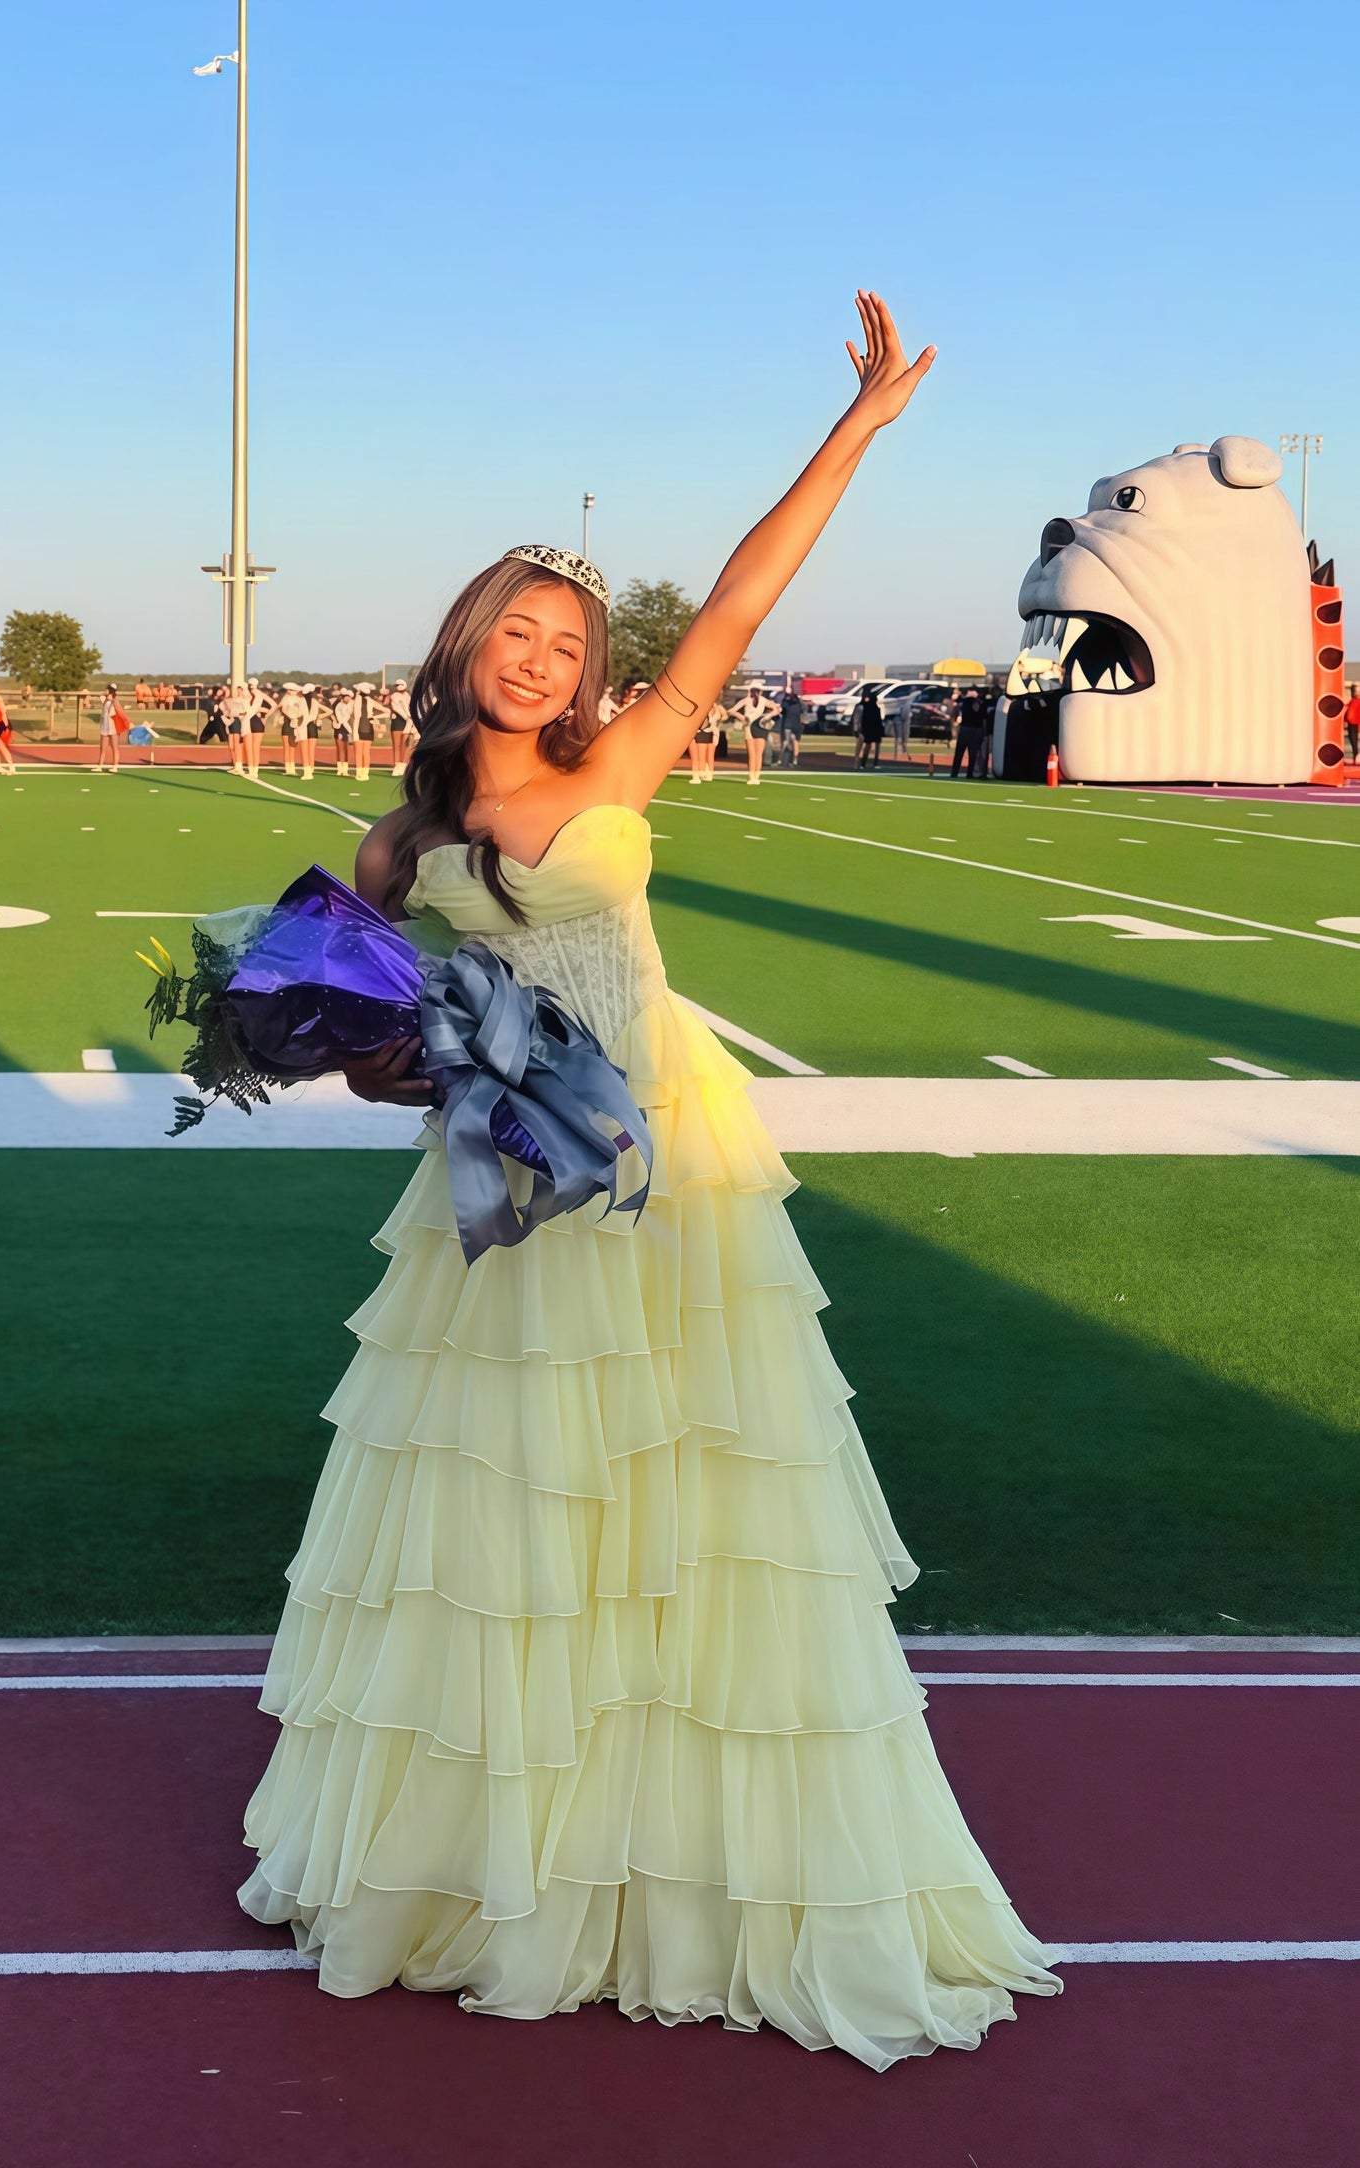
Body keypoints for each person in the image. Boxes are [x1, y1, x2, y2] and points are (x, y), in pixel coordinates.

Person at [234, 292, 1059, 2070]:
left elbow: (745, 602)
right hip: (508, 1187)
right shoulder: (400, 839)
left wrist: (857, 428)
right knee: (514, 1517)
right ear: (467, 645)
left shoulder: (619, 760)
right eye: (515, 630)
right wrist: (361, 1046)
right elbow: (376, 1037)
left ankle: (680, 1870)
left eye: (567, 638)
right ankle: (505, 1869)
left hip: (664, 1164)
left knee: (688, 1504)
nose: (541, 656)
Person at [730, 679, 778, 784]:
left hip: (749, 727)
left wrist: (742, 718)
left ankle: (752, 777)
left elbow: (731, 711)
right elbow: (777, 709)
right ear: (760, 691)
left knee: (752, 754)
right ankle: (756, 777)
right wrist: (767, 716)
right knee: (758, 754)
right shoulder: (764, 700)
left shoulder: (746, 700)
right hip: (760, 727)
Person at [950, 685, 986, 780]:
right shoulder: (981, 702)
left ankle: (955, 772)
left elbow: (958, 708)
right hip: (976, 729)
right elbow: (983, 717)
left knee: (960, 752)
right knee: (973, 753)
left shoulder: (965, 701)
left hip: (966, 728)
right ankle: (969, 773)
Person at [277, 683, 307, 776]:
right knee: (286, 746)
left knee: (293, 746)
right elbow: (281, 707)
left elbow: (303, 711)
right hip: (287, 723)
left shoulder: (301, 699)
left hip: (296, 724)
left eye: (291, 690)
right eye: (288, 690)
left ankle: (292, 768)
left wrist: (296, 718)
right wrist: (290, 716)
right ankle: (287, 768)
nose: (289, 691)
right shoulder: (286, 698)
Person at [301, 683, 329, 780]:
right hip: (313, 726)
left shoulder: (302, 701)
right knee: (311, 750)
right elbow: (329, 711)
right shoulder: (315, 702)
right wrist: (318, 717)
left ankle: (306, 771)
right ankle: (311, 769)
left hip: (304, 726)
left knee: (304, 750)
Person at [388, 678, 416, 776]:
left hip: (408, 722)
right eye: (397, 685)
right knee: (397, 745)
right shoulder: (394, 696)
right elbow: (396, 708)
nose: (398, 687)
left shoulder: (408, 696)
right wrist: (407, 717)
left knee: (405, 744)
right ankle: (397, 766)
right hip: (398, 722)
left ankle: (402, 766)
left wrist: (410, 718)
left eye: (400, 684)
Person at [353, 681, 379, 782]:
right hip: (368, 728)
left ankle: (360, 773)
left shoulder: (357, 700)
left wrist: (374, 718)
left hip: (359, 728)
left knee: (359, 752)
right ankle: (365, 774)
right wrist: (374, 718)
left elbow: (356, 717)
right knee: (366, 752)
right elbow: (385, 710)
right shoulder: (370, 700)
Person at [855, 683, 884, 768]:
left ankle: (863, 763)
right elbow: (879, 721)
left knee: (868, 746)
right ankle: (874, 763)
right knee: (874, 747)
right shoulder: (875, 708)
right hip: (874, 729)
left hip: (867, 729)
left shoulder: (865, 707)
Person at [97, 683, 124, 772]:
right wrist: (106, 695)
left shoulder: (115, 701)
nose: (105, 690)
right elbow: (100, 695)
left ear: (110, 691)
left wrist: (112, 698)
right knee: (103, 747)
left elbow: (120, 713)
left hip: (113, 727)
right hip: (105, 727)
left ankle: (115, 766)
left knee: (115, 747)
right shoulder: (105, 700)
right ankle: (100, 766)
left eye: (107, 689)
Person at [245, 680, 270, 775]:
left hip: (252, 722)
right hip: (253, 722)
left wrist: (265, 717)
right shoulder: (257, 694)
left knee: (252, 747)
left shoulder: (253, 695)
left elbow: (273, 706)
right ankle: (253, 770)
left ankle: (253, 770)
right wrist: (264, 716)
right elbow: (273, 705)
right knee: (253, 747)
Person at [778, 685, 805, 767]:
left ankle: (780, 759)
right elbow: (802, 712)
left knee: (785, 741)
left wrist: (785, 697)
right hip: (796, 724)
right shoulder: (800, 703)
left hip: (788, 724)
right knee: (795, 743)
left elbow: (783, 709)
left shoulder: (787, 703)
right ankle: (795, 760)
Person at [1344, 684, 1360, 764]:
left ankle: (1356, 756)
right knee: (1353, 741)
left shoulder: (1354, 702)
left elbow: (1350, 714)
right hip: (1353, 723)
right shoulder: (1353, 701)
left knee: (1354, 741)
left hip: (1353, 723)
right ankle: (1355, 756)